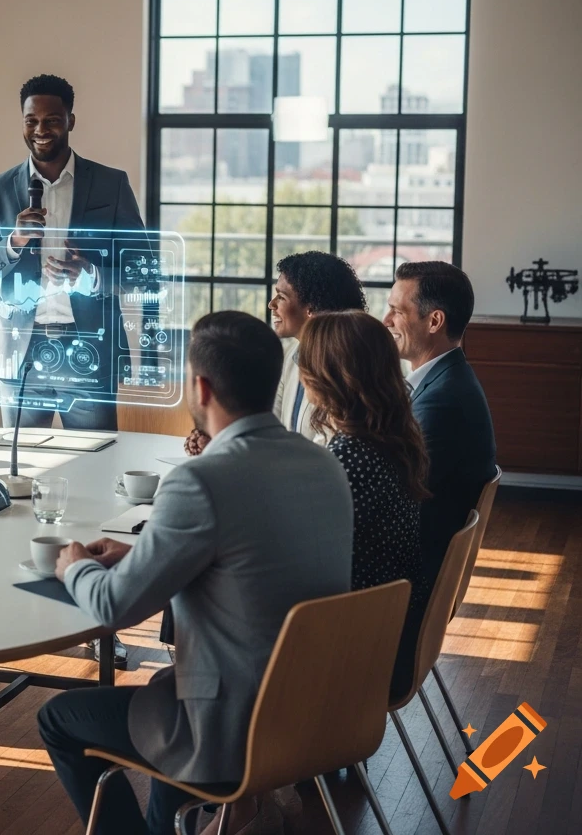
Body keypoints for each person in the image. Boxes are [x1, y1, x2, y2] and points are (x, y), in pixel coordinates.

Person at [38, 311, 354, 835]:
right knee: (166, 693)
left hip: (233, 729)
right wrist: (139, 554)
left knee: (59, 718)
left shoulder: (202, 481)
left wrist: (73, 567)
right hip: (314, 712)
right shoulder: (324, 465)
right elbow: (248, 563)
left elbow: (114, 607)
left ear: (201, 387)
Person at [0, 73, 144, 433]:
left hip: (89, 355)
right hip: (20, 358)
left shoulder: (112, 185)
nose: (40, 130)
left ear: (70, 121)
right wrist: (13, 242)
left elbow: (144, 271)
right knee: (23, 472)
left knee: (95, 465)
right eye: (31, 121)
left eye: (51, 120)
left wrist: (92, 276)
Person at [298, 310, 430, 695]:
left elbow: (303, 554)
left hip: (351, 643)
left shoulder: (351, 458)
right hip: (385, 625)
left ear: (329, 375)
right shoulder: (392, 439)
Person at [384, 262, 496, 597]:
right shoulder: (446, 380)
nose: (386, 321)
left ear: (434, 321)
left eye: (395, 311)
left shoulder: (442, 402)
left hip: (409, 587)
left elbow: (398, 502)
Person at [185, 251, 365, 456]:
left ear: (311, 307)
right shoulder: (289, 355)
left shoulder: (346, 368)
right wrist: (218, 439)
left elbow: (333, 447)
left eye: (281, 296)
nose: (272, 305)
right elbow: (268, 428)